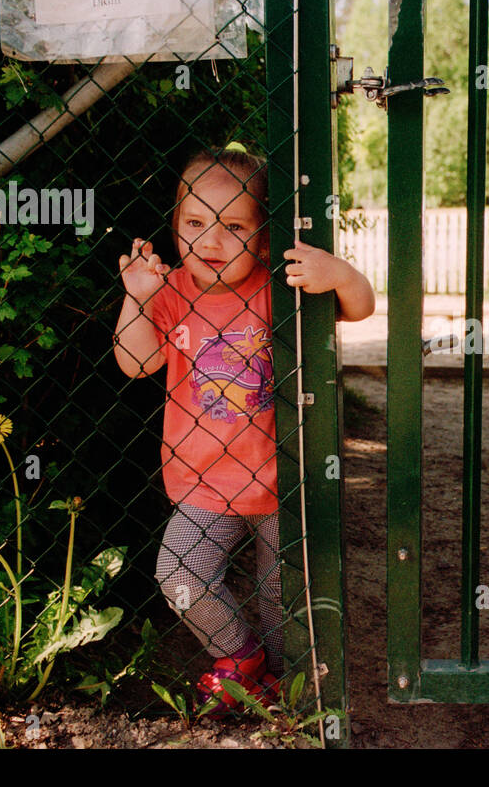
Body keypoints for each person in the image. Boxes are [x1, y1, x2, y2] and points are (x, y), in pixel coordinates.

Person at [113, 144, 375, 714]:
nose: (211, 241)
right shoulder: (172, 291)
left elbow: (360, 308)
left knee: (284, 597)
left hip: (283, 478)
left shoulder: (278, 286)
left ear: (260, 238)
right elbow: (136, 364)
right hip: (204, 481)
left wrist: (340, 273)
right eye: (195, 223)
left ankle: (288, 691)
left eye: (233, 225)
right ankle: (241, 658)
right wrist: (136, 301)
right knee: (180, 575)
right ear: (176, 226)